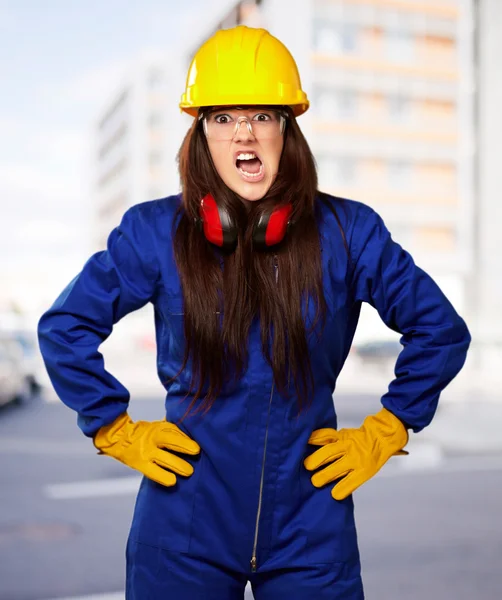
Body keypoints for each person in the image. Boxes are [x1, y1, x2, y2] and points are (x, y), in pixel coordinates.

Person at [38, 25, 471, 600]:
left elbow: (440, 330)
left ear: (288, 131)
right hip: (185, 517)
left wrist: (390, 427)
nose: (244, 132)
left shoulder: (348, 232)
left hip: (311, 521)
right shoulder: (153, 233)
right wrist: (112, 429)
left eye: (263, 115)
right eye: (223, 118)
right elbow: (64, 328)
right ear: (200, 135)